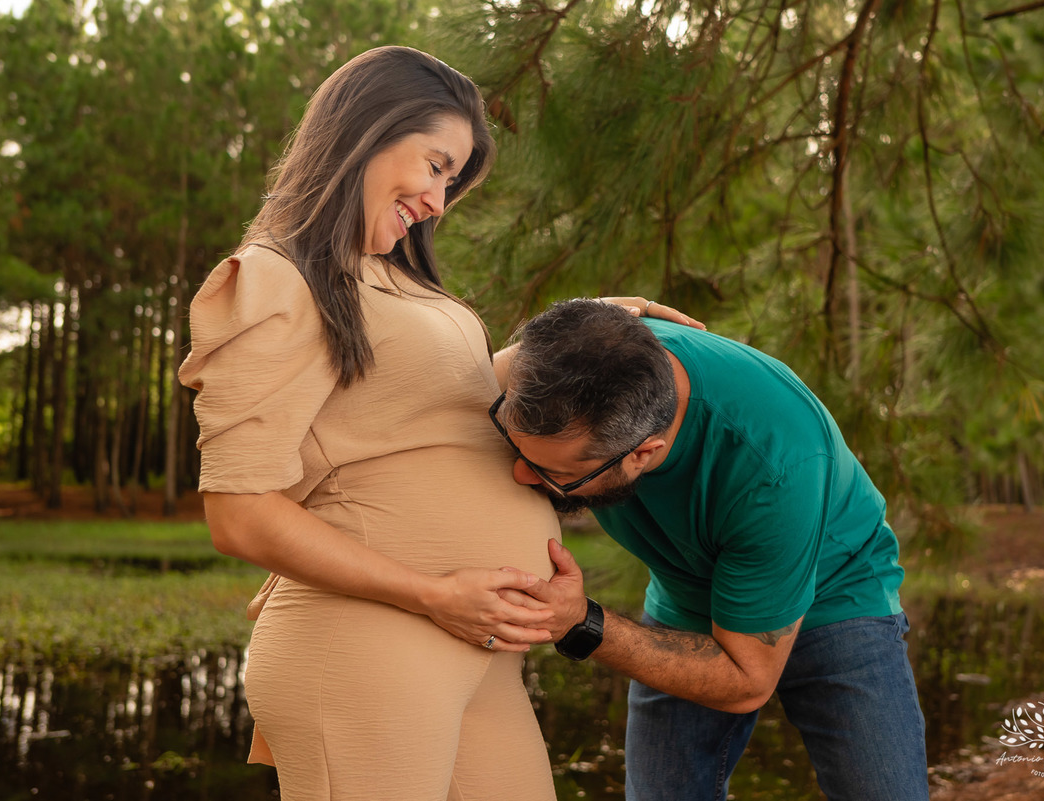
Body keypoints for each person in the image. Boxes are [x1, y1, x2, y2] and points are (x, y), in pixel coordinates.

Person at [178, 47, 696, 800]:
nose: (438, 200)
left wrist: (595, 323)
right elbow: (239, 513)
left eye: (451, 180)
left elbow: (440, 408)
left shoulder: (396, 279)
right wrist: (432, 593)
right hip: (367, 644)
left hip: (478, 651)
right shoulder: (276, 279)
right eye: (435, 164)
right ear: (366, 129)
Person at [491, 299, 930, 801]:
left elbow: (747, 679)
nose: (521, 475)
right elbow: (446, 376)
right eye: (517, 447)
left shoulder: (773, 468)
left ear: (643, 454)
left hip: (836, 589)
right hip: (688, 589)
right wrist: (586, 311)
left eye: (557, 474)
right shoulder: (574, 361)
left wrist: (584, 624)